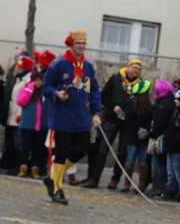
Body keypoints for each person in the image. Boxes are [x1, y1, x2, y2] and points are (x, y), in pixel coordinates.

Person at [41, 31, 101, 204]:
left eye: (84, 43)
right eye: (78, 43)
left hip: (82, 116)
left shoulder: (88, 66)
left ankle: (52, 177)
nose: (81, 46)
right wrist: (56, 93)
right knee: (61, 152)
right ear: (71, 44)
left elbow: (94, 91)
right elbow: (46, 86)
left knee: (79, 151)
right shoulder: (58, 64)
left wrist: (96, 113)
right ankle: (57, 189)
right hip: (62, 116)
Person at [83, 58, 145, 189]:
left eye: (139, 69)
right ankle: (94, 178)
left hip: (127, 122)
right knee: (103, 149)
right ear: (128, 68)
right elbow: (104, 95)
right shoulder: (116, 78)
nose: (136, 71)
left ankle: (115, 179)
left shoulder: (140, 85)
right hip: (111, 118)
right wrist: (113, 106)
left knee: (122, 152)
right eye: (134, 67)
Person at [16, 51, 55, 178]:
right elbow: (21, 102)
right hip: (27, 125)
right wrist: (30, 87)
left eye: (40, 80)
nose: (38, 82)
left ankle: (35, 168)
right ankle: (23, 166)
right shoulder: (27, 89)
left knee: (37, 148)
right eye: (36, 80)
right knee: (25, 147)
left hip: (41, 126)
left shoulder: (45, 93)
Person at [119, 73, 153, 193]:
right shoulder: (131, 102)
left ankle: (141, 184)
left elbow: (150, 119)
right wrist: (138, 129)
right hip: (132, 136)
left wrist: (147, 131)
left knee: (143, 160)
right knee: (130, 159)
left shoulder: (149, 105)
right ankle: (126, 183)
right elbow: (127, 119)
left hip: (143, 138)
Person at [146, 80, 176, 196]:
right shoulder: (169, 101)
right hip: (165, 137)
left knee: (158, 165)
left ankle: (158, 187)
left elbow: (160, 123)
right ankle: (159, 186)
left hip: (160, 138)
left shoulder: (164, 104)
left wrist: (152, 134)